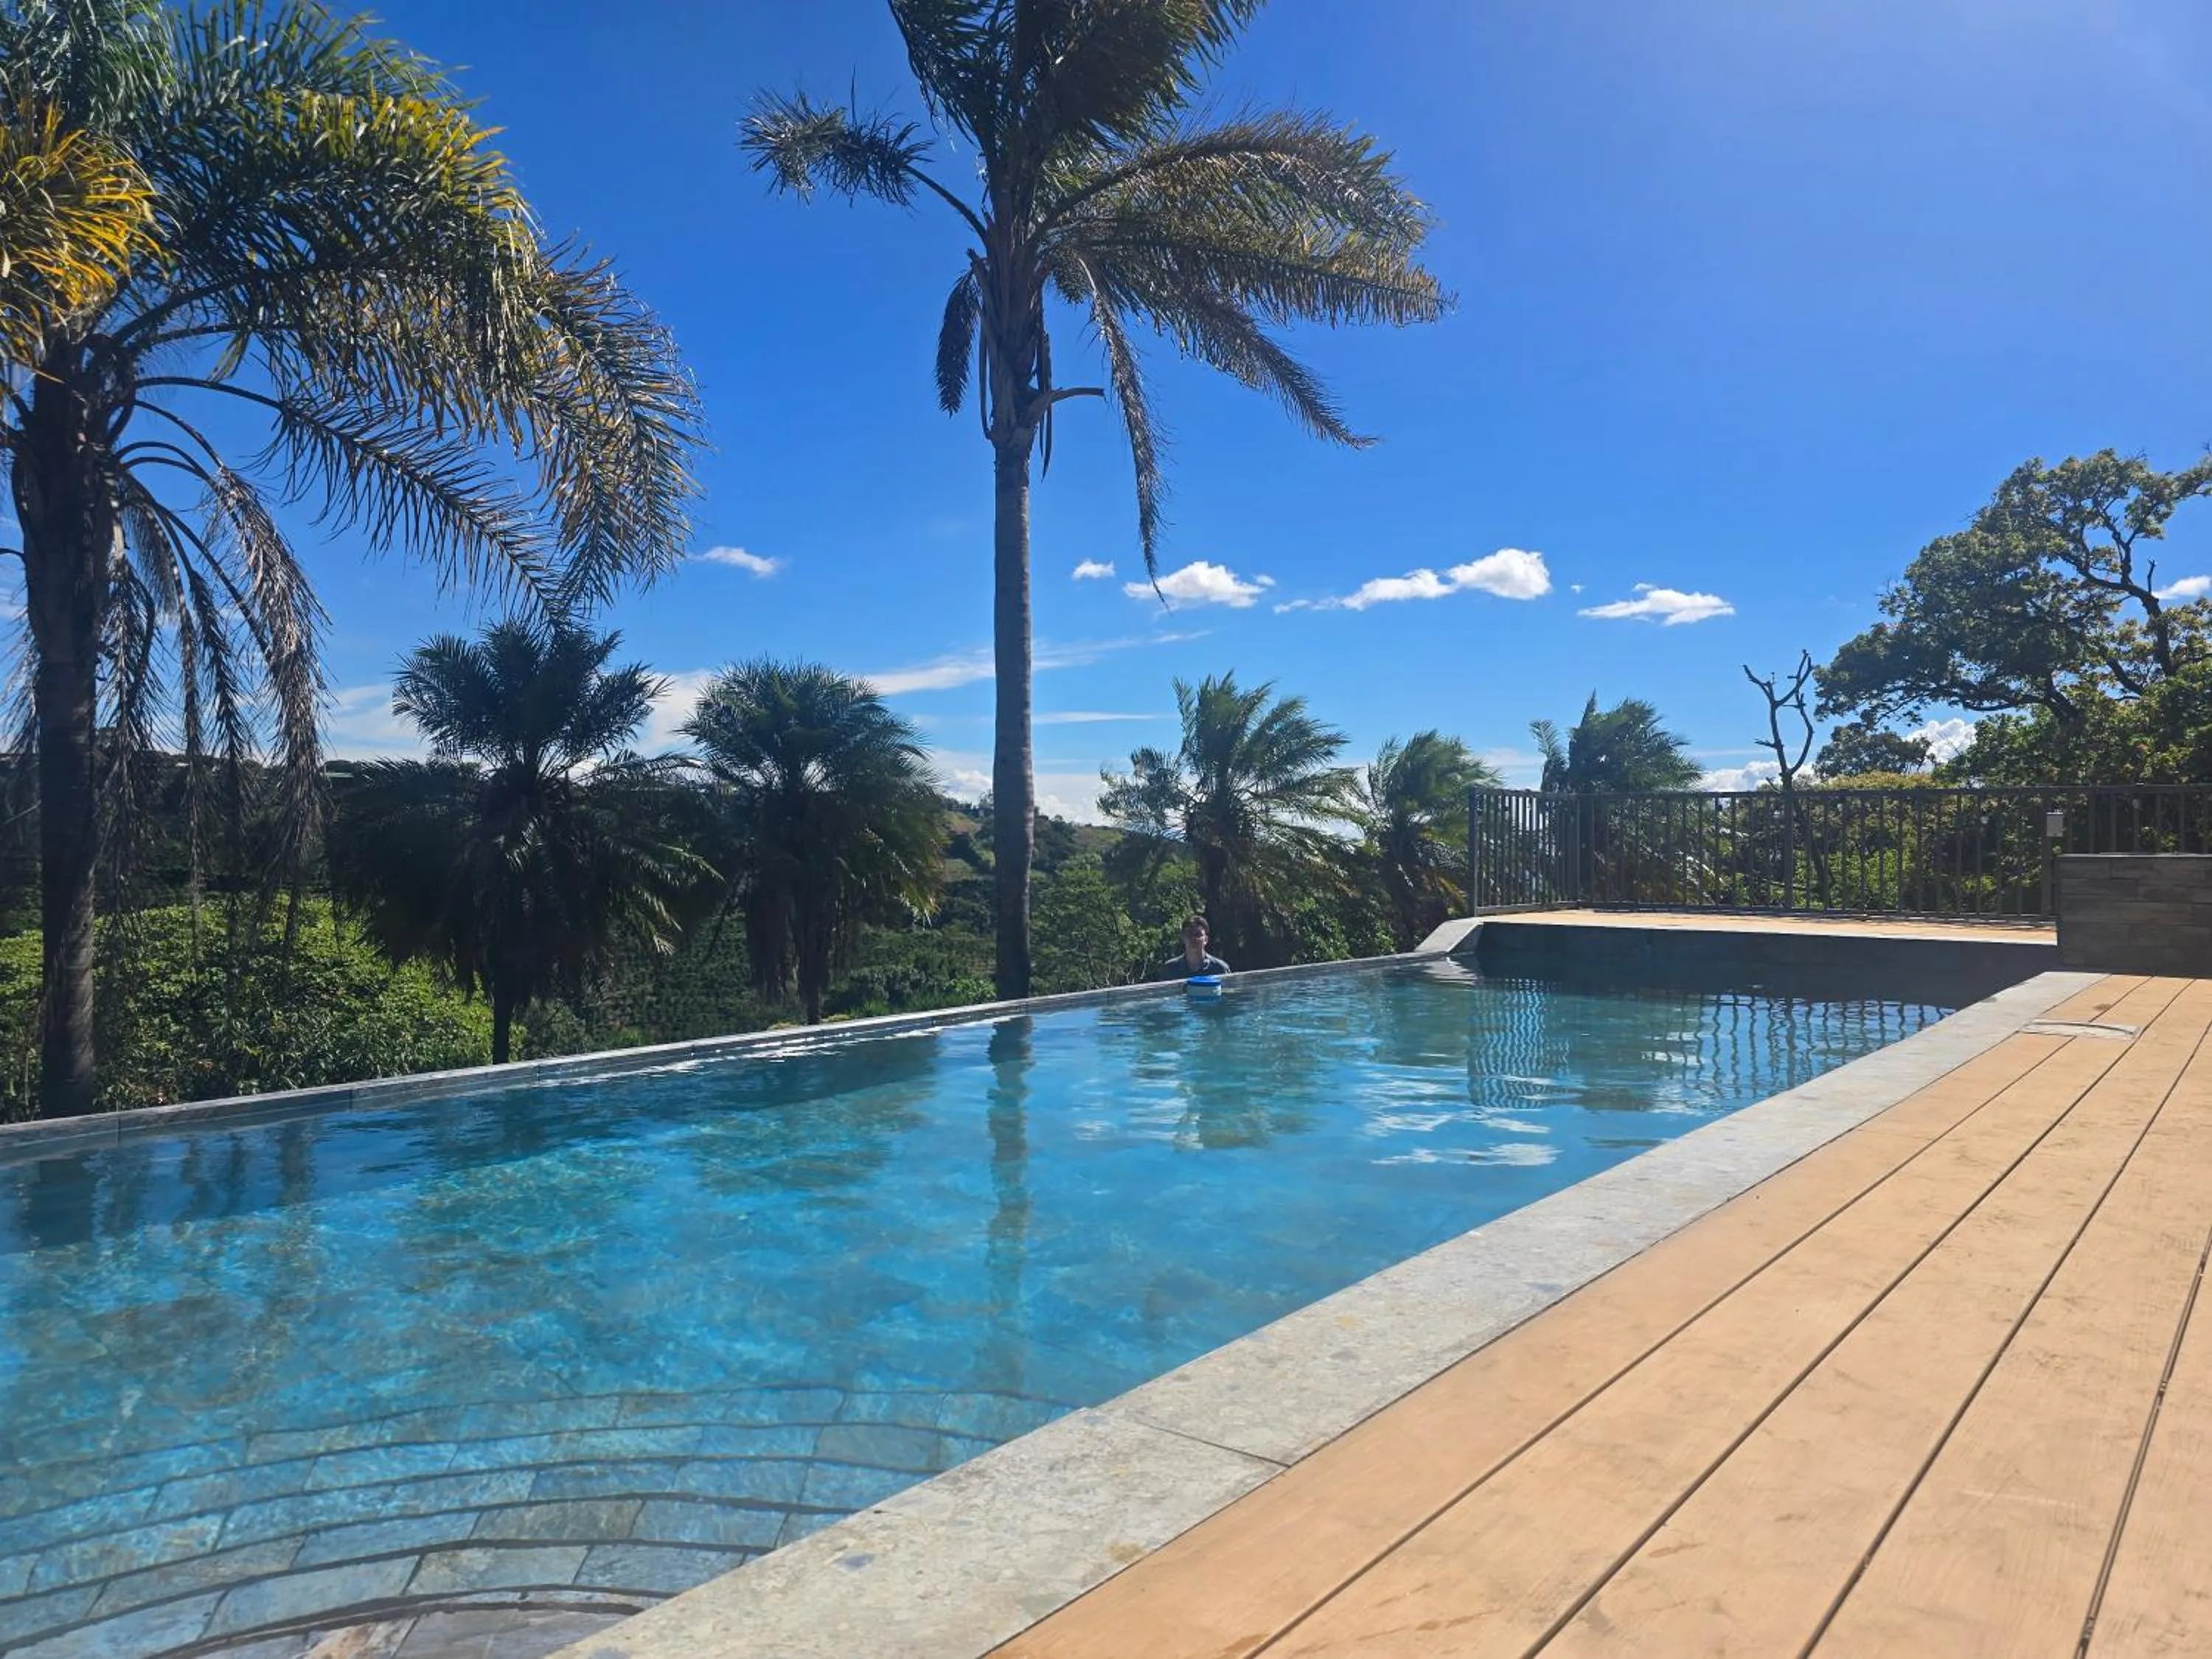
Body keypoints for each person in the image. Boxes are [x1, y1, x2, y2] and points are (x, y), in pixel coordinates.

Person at [1161, 914, 1231, 978]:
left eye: (1198, 935)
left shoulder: (1220, 969)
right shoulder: (1170, 969)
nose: (1193, 938)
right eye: (1189, 934)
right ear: (1183, 938)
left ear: (1206, 940)